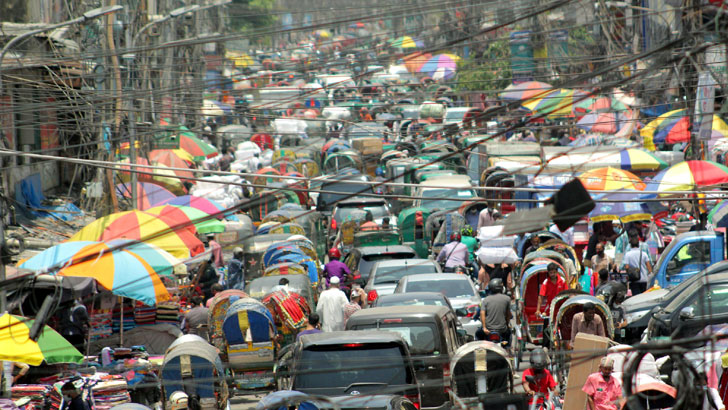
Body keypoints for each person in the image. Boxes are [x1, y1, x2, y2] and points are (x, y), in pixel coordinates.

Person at [536, 263, 568, 347]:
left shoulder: (562, 281)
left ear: (557, 272)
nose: (552, 274)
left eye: (554, 272)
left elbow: (567, 295)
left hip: (561, 307)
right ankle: (545, 346)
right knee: (546, 327)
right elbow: (541, 296)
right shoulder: (546, 282)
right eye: (551, 273)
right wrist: (538, 309)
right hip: (550, 308)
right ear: (548, 273)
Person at [478, 279, 511, 343]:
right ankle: (508, 347)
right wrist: (507, 325)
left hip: (488, 329)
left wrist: (484, 328)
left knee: (477, 334)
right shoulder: (507, 299)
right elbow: (508, 315)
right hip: (502, 329)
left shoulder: (485, 300)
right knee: (509, 334)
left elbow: (482, 314)